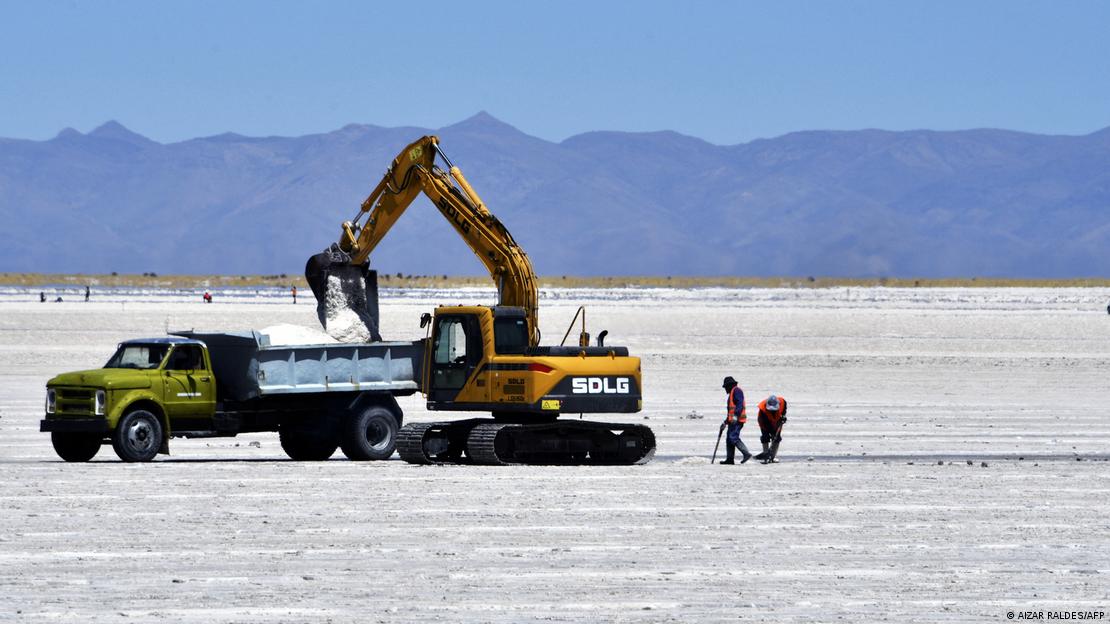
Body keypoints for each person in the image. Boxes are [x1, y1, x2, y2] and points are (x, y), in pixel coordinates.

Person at [718, 376, 752, 464]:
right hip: (733, 421)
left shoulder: (737, 391)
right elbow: (731, 411)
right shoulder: (732, 393)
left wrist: (735, 416)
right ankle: (730, 459)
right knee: (729, 439)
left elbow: (740, 404)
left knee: (733, 437)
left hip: (737, 420)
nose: (725, 389)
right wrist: (725, 422)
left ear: (729, 385)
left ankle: (746, 453)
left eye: (725, 387)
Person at [755, 395, 788, 463]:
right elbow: (764, 425)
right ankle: (766, 456)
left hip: (777, 421)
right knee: (765, 437)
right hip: (764, 423)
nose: (772, 411)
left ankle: (772, 457)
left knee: (776, 438)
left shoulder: (782, 402)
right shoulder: (762, 410)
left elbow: (784, 408)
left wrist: (783, 416)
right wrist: (769, 432)